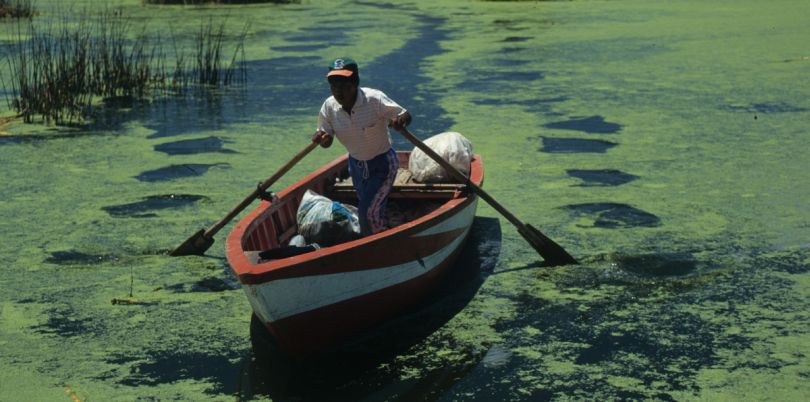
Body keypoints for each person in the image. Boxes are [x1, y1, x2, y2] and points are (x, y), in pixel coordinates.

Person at [312, 57, 412, 236]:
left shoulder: (374, 100)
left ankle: (376, 243)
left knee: (367, 211)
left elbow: (405, 114)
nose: (338, 91)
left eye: (344, 85)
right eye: (334, 86)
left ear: (355, 83)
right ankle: (379, 230)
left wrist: (400, 120)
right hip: (356, 166)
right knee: (370, 206)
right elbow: (326, 140)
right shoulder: (329, 107)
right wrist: (322, 139)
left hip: (383, 164)